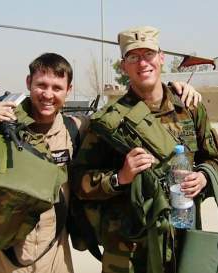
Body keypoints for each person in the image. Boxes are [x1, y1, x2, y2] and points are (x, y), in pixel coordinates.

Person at [0, 52, 200, 273]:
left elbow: (121, 117)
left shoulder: (75, 128)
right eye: (41, 85)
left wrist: (174, 89)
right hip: (2, 253)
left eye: (57, 88)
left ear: (68, 90)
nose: (48, 94)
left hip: (54, 253)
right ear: (28, 83)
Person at [70, 26, 218, 273]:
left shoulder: (190, 108)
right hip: (128, 249)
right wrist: (120, 177)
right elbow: (78, 181)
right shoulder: (110, 122)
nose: (142, 63)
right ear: (123, 66)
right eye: (133, 57)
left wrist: (203, 177)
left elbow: (214, 157)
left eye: (148, 54)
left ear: (161, 57)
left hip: (183, 239)